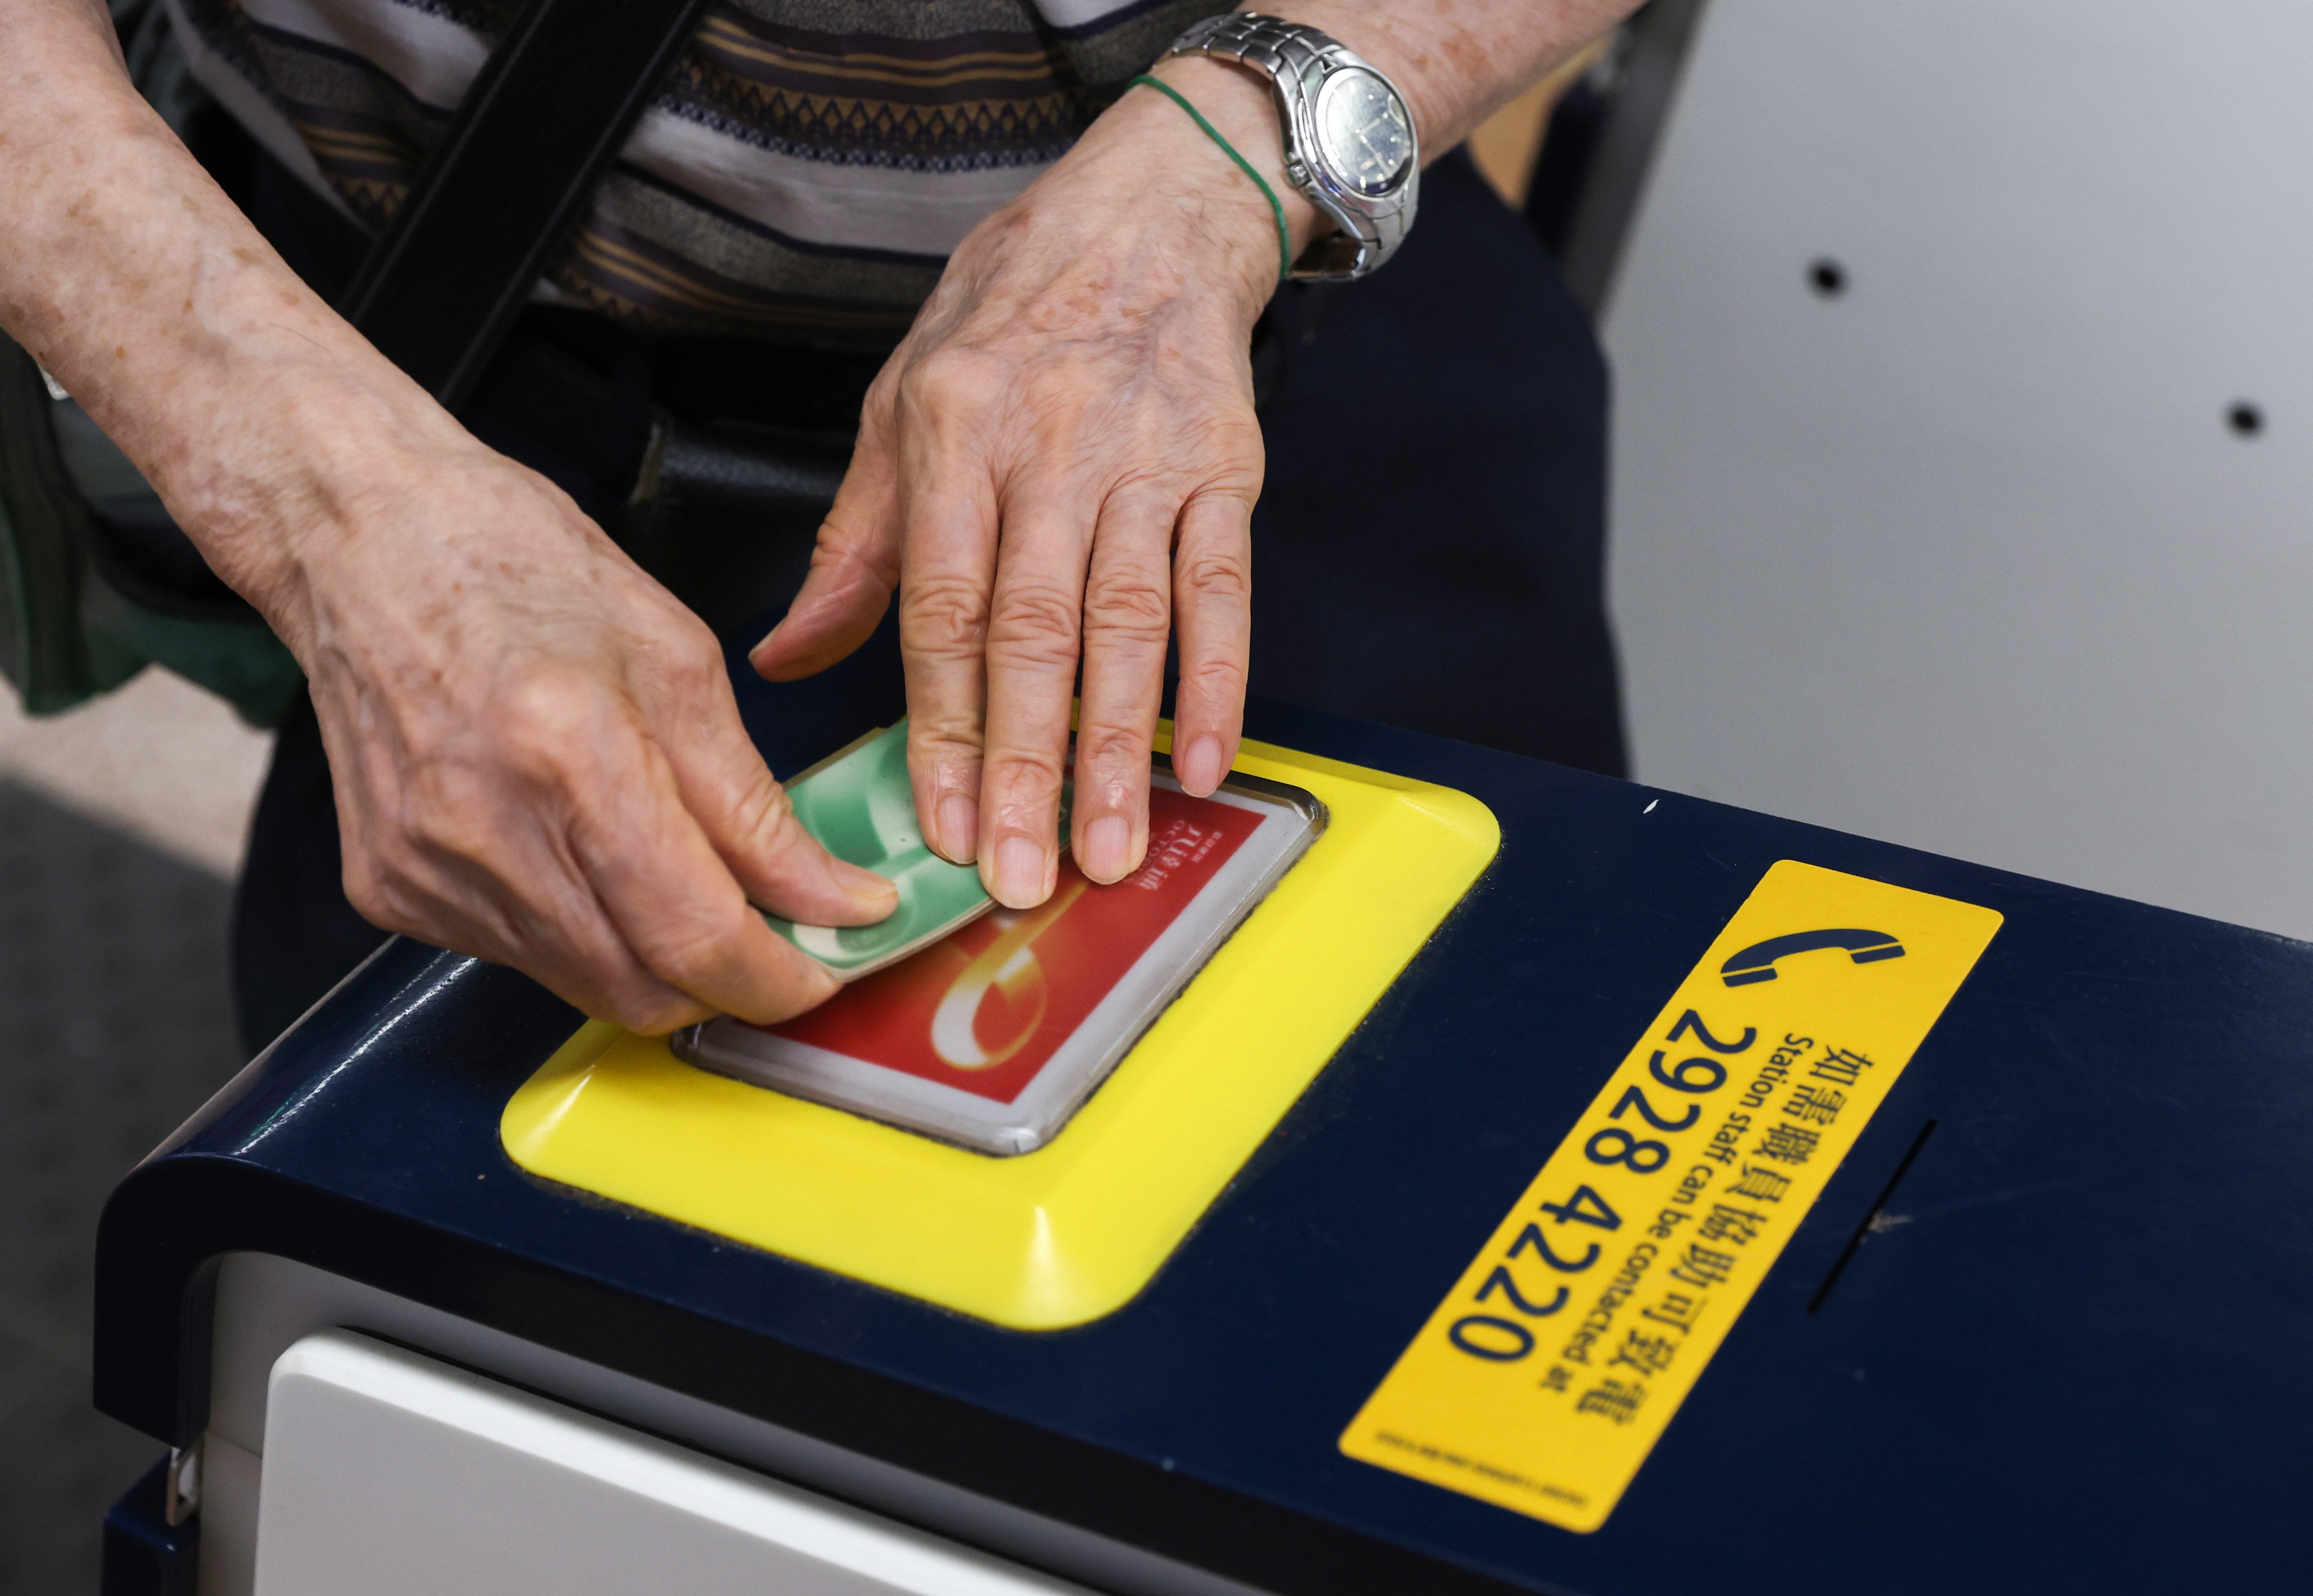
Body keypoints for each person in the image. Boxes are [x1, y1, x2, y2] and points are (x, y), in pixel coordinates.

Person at [0, 0, 1636, 1052]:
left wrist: (1231, 151)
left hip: (1246, 309)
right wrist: (326, 499)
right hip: (436, 375)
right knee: (460, 1327)